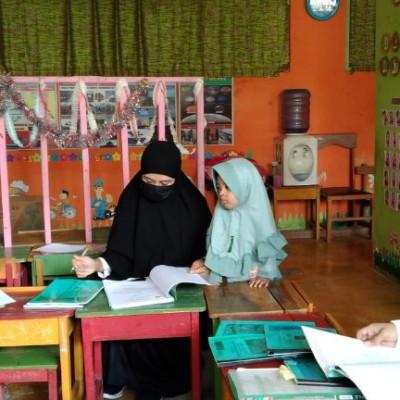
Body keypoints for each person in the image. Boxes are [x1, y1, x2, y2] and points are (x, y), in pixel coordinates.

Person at [72, 140, 212, 400]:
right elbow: (120, 253)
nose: (155, 189)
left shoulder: (192, 204)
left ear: (176, 178)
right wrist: (97, 264)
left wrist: (205, 260)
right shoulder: (131, 198)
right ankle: (123, 380)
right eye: (149, 181)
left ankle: (172, 383)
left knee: (174, 336)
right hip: (135, 288)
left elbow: (210, 248)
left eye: (164, 184)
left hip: (178, 291)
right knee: (123, 322)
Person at [190, 157, 287, 287]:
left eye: (228, 187)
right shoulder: (221, 213)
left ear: (246, 186)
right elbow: (218, 244)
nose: (221, 193)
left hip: (252, 283)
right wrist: (207, 263)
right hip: (221, 283)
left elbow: (267, 249)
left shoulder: (259, 216)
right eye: (218, 187)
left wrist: (265, 275)